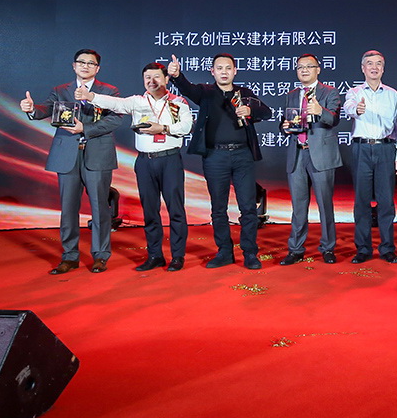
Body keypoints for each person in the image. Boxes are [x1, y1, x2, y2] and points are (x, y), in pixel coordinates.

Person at [79, 62, 193, 272]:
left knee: (176, 209)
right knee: (150, 210)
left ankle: (178, 256)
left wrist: (162, 128)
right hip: (144, 162)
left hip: (170, 160)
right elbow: (115, 103)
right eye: (147, 78)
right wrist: (91, 96)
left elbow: (186, 127)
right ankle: (155, 255)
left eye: (156, 77)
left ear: (166, 79)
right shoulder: (137, 102)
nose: (152, 81)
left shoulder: (178, 102)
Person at [19, 49, 124, 274]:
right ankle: (69, 256)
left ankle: (100, 255)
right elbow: (46, 109)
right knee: (68, 208)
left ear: (97, 68)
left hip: (97, 154)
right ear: (74, 66)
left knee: (100, 207)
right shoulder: (60, 90)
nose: (85, 66)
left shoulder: (109, 91)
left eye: (90, 63)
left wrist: (85, 128)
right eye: (81, 62)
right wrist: (31, 109)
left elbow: (115, 119)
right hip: (67, 154)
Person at [168, 53, 271, 270]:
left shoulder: (244, 93)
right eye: (219, 68)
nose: (224, 72)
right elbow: (187, 89)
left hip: (242, 156)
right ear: (212, 72)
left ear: (235, 71)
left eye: (228, 68)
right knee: (218, 208)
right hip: (215, 156)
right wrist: (177, 76)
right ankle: (224, 252)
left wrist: (251, 110)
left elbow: (267, 112)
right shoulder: (205, 92)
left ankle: (250, 253)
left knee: (248, 208)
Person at [278, 54, 342, 266]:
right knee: (298, 206)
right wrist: (284, 127)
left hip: (321, 156)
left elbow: (334, 119)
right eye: (300, 67)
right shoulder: (292, 95)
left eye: (309, 66)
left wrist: (320, 111)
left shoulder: (329, 92)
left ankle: (328, 248)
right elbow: (286, 120)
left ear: (318, 69)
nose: (304, 70)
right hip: (297, 154)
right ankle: (296, 249)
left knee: (325, 205)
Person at [342, 50, 397, 264]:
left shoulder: (392, 94)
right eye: (370, 64)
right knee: (362, 201)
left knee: (386, 202)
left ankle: (387, 248)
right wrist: (357, 110)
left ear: (383, 69)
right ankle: (363, 248)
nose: (374, 67)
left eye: (378, 64)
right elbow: (349, 108)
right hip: (362, 149)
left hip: (385, 149)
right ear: (363, 68)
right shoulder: (354, 92)